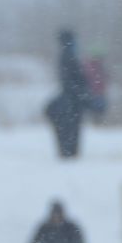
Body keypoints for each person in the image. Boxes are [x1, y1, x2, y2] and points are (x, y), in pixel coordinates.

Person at [44, 29, 94, 159]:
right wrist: (82, 93)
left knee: (68, 129)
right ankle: (70, 154)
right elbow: (72, 80)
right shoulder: (69, 56)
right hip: (72, 101)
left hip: (71, 100)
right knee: (71, 129)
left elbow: (70, 79)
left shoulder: (65, 55)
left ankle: (68, 153)